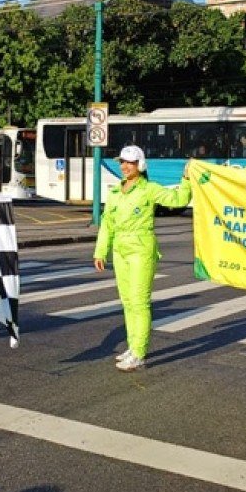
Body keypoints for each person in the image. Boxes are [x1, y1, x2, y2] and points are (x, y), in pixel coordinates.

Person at [92, 145, 193, 372]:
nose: (125, 166)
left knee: (139, 302)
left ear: (141, 165)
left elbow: (178, 199)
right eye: (122, 162)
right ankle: (132, 346)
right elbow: (107, 223)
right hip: (120, 250)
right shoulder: (115, 191)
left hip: (141, 249)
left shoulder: (149, 189)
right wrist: (100, 251)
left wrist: (186, 179)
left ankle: (139, 352)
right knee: (128, 303)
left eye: (130, 162)